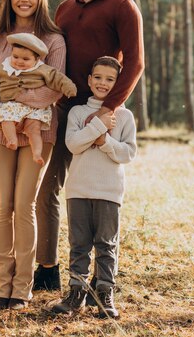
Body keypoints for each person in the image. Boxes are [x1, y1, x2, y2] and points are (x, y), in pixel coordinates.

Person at [33, 0, 145, 292]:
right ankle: (47, 268)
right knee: (47, 188)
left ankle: (101, 277)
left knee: (98, 196)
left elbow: (136, 63)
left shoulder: (122, 5)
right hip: (64, 111)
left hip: (101, 115)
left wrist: (108, 111)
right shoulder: (65, 8)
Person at [0, 0, 66, 310]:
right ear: (8, 0)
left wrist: (16, 101)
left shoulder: (54, 39)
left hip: (39, 131)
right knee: (2, 206)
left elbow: (53, 87)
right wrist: (2, 112)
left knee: (25, 205)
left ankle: (22, 288)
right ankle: (1, 283)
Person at [51, 56, 136, 318]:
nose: (103, 83)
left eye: (110, 79)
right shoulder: (77, 112)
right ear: (89, 80)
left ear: (118, 83)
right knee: (79, 244)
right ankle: (77, 292)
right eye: (97, 77)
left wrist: (104, 142)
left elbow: (128, 153)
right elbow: (73, 145)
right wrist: (99, 126)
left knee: (106, 245)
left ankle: (104, 294)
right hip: (78, 189)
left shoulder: (124, 116)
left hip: (109, 192)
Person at [0, 33, 76, 165]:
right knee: (5, 119)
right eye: (16, 57)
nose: (19, 61)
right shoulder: (3, 68)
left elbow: (57, 78)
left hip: (34, 107)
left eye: (25, 59)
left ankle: (36, 153)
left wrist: (69, 88)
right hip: (10, 105)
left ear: (36, 60)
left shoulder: (42, 69)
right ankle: (11, 139)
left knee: (34, 128)